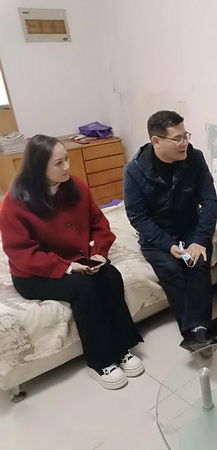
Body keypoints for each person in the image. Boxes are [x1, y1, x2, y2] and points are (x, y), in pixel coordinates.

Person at [0, 135, 143, 390]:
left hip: (78, 260)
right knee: (83, 287)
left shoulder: (75, 187)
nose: (67, 166)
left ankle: (122, 347)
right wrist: (66, 267)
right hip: (33, 275)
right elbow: (21, 252)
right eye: (59, 163)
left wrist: (99, 252)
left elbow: (99, 224)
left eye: (66, 159)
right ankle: (100, 361)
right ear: (38, 167)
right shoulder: (15, 203)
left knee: (110, 275)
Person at [124, 110, 217, 351]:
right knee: (171, 268)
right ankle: (197, 332)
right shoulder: (134, 170)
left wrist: (199, 239)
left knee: (198, 262)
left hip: (190, 228)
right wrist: (168, 245)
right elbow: (138, 217)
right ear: (156, 141)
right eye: (177, 138)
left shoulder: (195, 158)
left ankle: (197, 332)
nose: (184, 143)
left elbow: (210, 201)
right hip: (158, 235)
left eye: (185, 136)